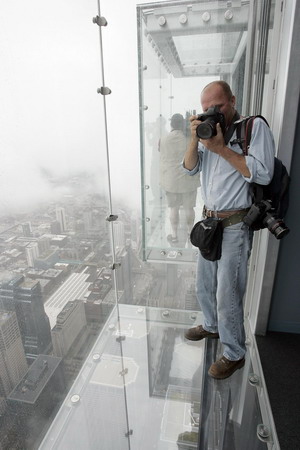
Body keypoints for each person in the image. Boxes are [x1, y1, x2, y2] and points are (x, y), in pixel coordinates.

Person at [183, 81, 275, 379]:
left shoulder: (253, 127)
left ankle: (234, 353)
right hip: (209, 224)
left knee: (228, 294)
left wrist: (221, 148)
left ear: (232, 100)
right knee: (204, 286)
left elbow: (262, 171)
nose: (213, 112)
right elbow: (188, 168)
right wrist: (193, 137)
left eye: (218, 106)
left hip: (235, 226)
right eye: (207, 108)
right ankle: (212, 327)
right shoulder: (208, 133)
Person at [159, 113, 200, 244]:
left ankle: (174, 235)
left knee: (173, 209)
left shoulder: (163, 139)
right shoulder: (189, 139)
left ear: (171, 124)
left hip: (171, 180)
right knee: (189, 208)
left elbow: (161, 153)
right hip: (188, 178)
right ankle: (190, 233)